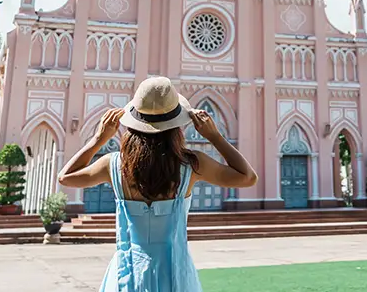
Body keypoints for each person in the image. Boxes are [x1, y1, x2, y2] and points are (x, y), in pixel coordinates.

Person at [58, 76, 258, 292]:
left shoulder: (114, 165)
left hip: (126, 276)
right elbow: (248, 177)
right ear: (176, 126)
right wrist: (215, 137)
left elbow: (65, 177)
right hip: (176, 277)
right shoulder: (191, 165)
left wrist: (98, 139)